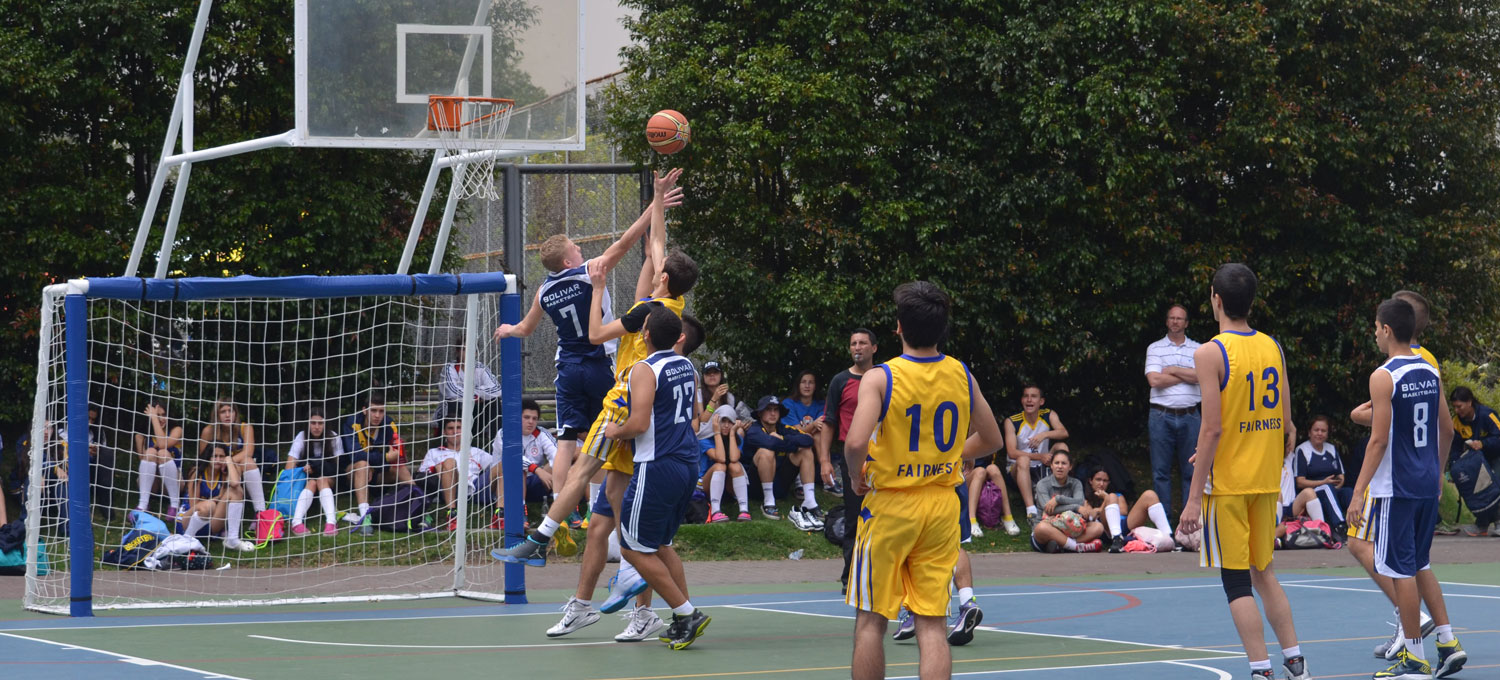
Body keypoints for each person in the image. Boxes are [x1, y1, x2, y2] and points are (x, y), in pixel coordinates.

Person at [493, 168, 697, 567]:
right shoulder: (670, 304)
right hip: (637, 399)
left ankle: (539, 540)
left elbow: (596, 334)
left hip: (621, 400)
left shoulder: (642, 313)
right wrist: (658, 200)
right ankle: (632, 565)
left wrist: (600, 287)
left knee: (583, 467)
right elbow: (656, 243)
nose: (655, 259)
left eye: (659, 264)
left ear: (663, 275)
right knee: (616, 489)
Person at [845, 281, 1004, 680]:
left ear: (898, 327)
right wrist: (951, 454)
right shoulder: (961, 374)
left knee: (871, 621)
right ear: (942, 328)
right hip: (941, 506)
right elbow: (992, 439)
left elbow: (856, 442)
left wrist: (854, 475)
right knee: (932, 624)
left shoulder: (881, 378)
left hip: (891, 506)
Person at [1178, 263, 1310, 680]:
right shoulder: (1273, 347)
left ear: (1215, 299)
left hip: (1230, 484)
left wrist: (1193, 498)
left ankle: (1260, 670)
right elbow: (1285, 421)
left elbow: (1212, 427)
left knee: (1236, 582)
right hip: (1266, 480)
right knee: (1264, 573)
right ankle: (1296, 663)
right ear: (1251, 301)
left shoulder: (1210, 352)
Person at [1347, 297, 1468, 679]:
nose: (1375, 334)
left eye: (1375, 328)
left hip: (1396, 487)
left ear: (1386, 329)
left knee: (1400, 570)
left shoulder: (1384, 376)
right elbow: (1446, 429)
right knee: (1419, 564)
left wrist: (1357, 491)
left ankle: (1414, 658)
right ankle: (1447, 641)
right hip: (1426, 483)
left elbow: (1379, 439)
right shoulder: (1430, 370)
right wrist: (1437, 473)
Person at [603, 307, 714, 649]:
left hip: (657, 465)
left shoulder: (644, 369)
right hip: (687, 463)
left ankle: (687, 613)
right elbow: (694, 415)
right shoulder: (687, 367)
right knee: (661, 545)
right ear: (678, 337)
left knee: (631, 548)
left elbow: (639, 424)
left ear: (645, 334)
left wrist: (615, 430)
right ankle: (683, 617)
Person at [824, 328, 877, 594]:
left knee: (885, 518)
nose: (857, 347)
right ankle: (851, 577)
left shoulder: (885, 378)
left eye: (863, 343)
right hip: (853, 458)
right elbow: (829, 422)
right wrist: (824, 460)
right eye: (853, 343)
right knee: (855, 517)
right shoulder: (840, 381)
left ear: (873, 348)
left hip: (883, 457)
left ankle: (881, 575)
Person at [1145, 303, 1202, 514]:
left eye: (1179, 318)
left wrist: (1173, 369)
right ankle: (1164, 524)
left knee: (1192, 471)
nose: (1175, 321)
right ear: (1167, 321)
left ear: (1186, 323)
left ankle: (1189, 523)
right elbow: (1154, 380)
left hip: (1191, 416)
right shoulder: (1155, 348)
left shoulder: (1198, 349)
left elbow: (1201, 376)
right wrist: (1187, 375)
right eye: (1172, 318)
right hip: (1161, 416)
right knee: (1161, 472)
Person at [744, 395, 823, 529]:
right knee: (766, 451)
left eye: (776, 410)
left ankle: (810, 501)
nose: (773, 413)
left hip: (780, 485)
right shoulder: (754, 429)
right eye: (768, 409)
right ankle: (768, 502)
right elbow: (769, 443)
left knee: (805, 451)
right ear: (760, 413)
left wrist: (782, 438)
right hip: (756, 487)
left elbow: (808, 440)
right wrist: (791, 445)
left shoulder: (783, 428)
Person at [342, 391, 412, 532]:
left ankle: (419, 507)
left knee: (400, 467)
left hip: (379, 474)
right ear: (365, 410)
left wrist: (383, 461)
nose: (377, 415)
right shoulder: (352, 423)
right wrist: (385, 458)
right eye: (373, 410)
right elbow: (355, 456)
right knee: (362, 464)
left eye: (381, 411)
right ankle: (365, 517)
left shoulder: (389, 424)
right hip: (353, 474)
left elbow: (396, 455)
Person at [1003, 384, 1070, 521]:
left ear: (1041, 401)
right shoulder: (1011, 421)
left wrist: (1044, 435)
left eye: (1033, 396)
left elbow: (1064, 432)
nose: (1029, 400)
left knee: (1061, 447)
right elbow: (1011, 453)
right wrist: (1039, 456)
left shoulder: (1048, 414)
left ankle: (1062, 492)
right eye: (1026, 396)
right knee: (1023, 460)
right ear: (1022, 400)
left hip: (1042, 466)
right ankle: (1031, 510)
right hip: (1018, 470)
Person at [488, 399, 557, 529]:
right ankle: (504, 514)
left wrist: (549, 470)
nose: (531, 422)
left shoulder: (542, 433)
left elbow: (557, 455)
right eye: (526, 417)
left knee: (559, 464)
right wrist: (537, 469)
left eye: (534, 418)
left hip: (531, 482)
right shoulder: (505, 432)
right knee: (514, 466)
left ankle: (565, 508)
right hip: (500, 482)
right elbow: (513, 456)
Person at [419, 418, 497, 531]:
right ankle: (452, 514)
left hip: (476, 488)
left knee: (501, 465)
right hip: (448, 489)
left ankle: (501, 513)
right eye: (450, 428)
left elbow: (495, 466)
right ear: (444, 432)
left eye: (459, 428)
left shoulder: (476, 451)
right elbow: (422, 476)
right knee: (449, 462)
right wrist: (437, 468)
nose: (455, 431)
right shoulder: (434, 452)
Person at [1081, 466, 1174, 553]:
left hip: (1124, 525)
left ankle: (1169, 537)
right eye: (1098, 480)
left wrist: (1105, 500)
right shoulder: (1086, 500)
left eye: (1105, 481)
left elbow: (1124, 511)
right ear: (1090, 481)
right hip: (1105, 530)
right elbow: (1090, 516)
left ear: (1109, 482)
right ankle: (1116, 538)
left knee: (1150, 495)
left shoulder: (1117, 495)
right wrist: (1106, 501)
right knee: (1111, 496)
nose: (1101, 484)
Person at [180, 445, 255, 552]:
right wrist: (212, 500)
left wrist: (229, 461)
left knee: (236, 491)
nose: (218, 460)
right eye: (214, 456)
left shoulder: (225, 473)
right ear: (208, 457)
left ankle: (232, 540)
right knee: (209, 506)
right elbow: (193, 505)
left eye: (221, 456)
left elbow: (235, 483)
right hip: (188, 520)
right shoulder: (198, 472)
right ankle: (186, 539)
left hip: (210, 522)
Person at [1029, 448, 1104, 553]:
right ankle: (1076, 546)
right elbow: (1049, 510)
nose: (1060, 466)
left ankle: (1064, 545)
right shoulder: (1042, 484)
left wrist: (1058, 499)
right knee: (1041, 528)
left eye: (1064, 463)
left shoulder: (1076, 483)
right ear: (1051, 466)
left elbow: (1080, 501)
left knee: (1098, 527)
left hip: (1071, 528)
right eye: (1057, 463)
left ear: (1070, 466)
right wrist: (1075, 507)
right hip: (1048, 527)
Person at [198, 398, 265, 515]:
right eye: (223, 412)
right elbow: (203, 458)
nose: (227, 415)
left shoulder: (245, 428)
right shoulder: (208, 431)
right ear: (217, 415)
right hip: (217, 471)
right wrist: (221, 463)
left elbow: (248, 452)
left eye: (231, 411)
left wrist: (228, 462)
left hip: (238, 471)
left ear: (236, 413)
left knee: (248, 462)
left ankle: (261, 512)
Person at [285, 406, 344, 537]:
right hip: (307, 481)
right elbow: (289, 467)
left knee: (321, 480)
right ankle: (296, 523)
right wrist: (303, 468)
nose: (317, 427)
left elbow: (339, 467)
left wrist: (317, 466)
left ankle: (331, 522)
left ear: (325, 424)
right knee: (312, 482)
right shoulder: (302, 436)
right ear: (308, 423)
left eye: (320, 423)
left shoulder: (334, 437)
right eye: (313, 423)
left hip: (328, 479)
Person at [1449, 387, 1500, 536]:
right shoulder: (1456, 422)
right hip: (1475, 463)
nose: (1457, 410)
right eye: (1454, 407)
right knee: (1475, 489)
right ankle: (1482, 524)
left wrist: (1483, 444)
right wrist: (1454, 465)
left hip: (1495, 456)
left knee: (1494, 487)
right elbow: (1455, 446)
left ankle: (1498, 522)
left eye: (1459, 406)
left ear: (1469, 402)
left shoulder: (1487, 415)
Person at [1291, 415, 1351, 532]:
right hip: (1313, 492)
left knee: (1348, 492)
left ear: (1327, 434)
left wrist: (1339, 483)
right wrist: (1322, 482)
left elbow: (1341, 475)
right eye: (1316, 430)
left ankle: (1359, 526)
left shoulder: (1331, 449)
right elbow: (1299, 482)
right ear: (1309, 432)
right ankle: (1340, 526)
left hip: (1333, 489)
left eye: (1323, 431)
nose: (1320, 433)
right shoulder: (1302, 450)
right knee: (1326, 488)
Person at [785, 370, 835, 495]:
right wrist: (812, 425)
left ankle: (828, 480)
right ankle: (799, 481)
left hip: (815, 442)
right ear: (798, 385)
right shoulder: (788, 403)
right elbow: (795, 431)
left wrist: (813, 428)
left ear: (815, 386)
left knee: (818, 435)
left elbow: (822, 427)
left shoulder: (821, 404)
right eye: (803, 382)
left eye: (811, 382)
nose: (807, 386)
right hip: (793, 445)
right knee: (805, 437)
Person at [133, 399, 184, 520]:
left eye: (163, 415)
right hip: (153, 484)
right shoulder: (142, 435)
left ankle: (174, 504)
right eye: (157, 415)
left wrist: (154, 419)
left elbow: (162, 444)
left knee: (163, 453)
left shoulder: (177, 430)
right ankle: (143, 504)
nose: (161, 419)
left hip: (174, 482)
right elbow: (143, 462)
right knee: (150, 452)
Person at [434, 345, 502, 434]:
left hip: (476, 414)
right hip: (453, 414)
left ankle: (495, 439)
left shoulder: (480, 367)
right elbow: (452, 393)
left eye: (471, 349)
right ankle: (451, 436)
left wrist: (475, 395)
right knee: (453, 402)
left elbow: (497, 390)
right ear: (457, 351)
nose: (468, 352)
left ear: (476, 353)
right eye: (464, 349)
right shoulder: (449, 368)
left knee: (494, 402)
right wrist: (477, 396)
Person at [704, 405, 752, 523]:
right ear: (716, 421)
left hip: (727, 485)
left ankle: (744, 510)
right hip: (705, 485)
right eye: (723, 421)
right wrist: (716, 432)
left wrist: (732, 434)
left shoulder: (736, 438)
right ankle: (715, 511)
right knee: (720, 466)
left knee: (735, 465)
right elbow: (720, 458)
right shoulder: (705, 439)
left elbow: (734, 458)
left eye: (730, 422)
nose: (726, 425)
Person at [965, 449, 1019, 537]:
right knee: (980, 471)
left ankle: (1008, 517)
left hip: (984, 476)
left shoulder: (985, 441)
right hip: (965, 478)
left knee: (993, 469)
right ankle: (971, 520)